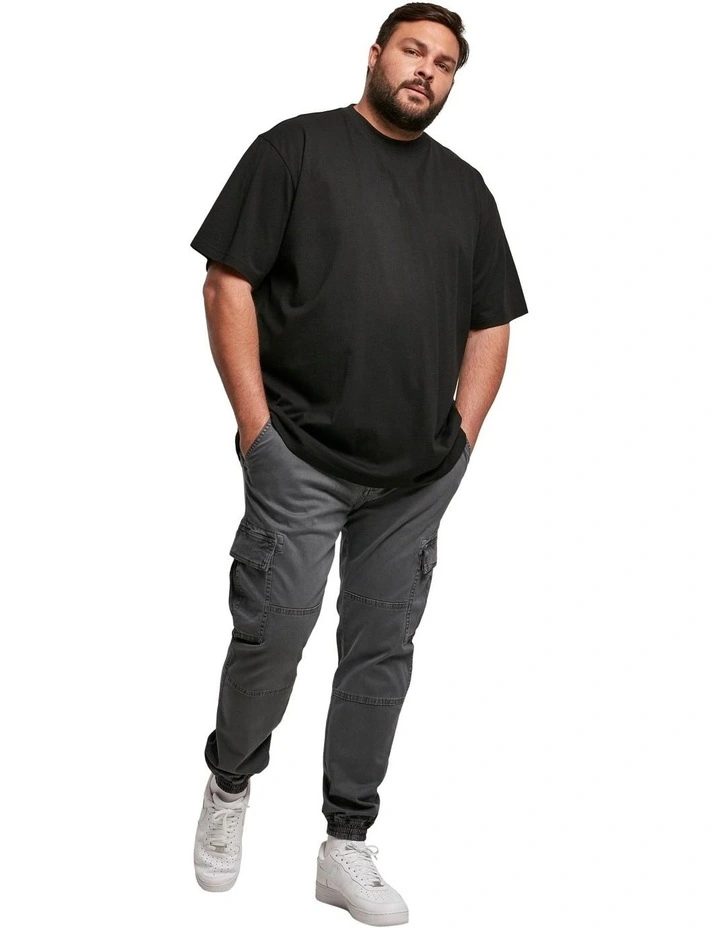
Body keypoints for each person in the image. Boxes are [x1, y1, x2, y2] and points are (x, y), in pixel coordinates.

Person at [189, 3, 528, 923]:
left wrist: (460, 441)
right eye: (413, 51)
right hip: (298, 457)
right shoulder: (295, 150)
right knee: (274, 632)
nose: (426, 71)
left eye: (445, 63)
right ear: (376, 55)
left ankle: (345, 841)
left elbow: (492, 323)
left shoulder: (466, 190)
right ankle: (230, 782)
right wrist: (256, 431)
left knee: (381, 654)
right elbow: (227, 284)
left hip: (415, 478)